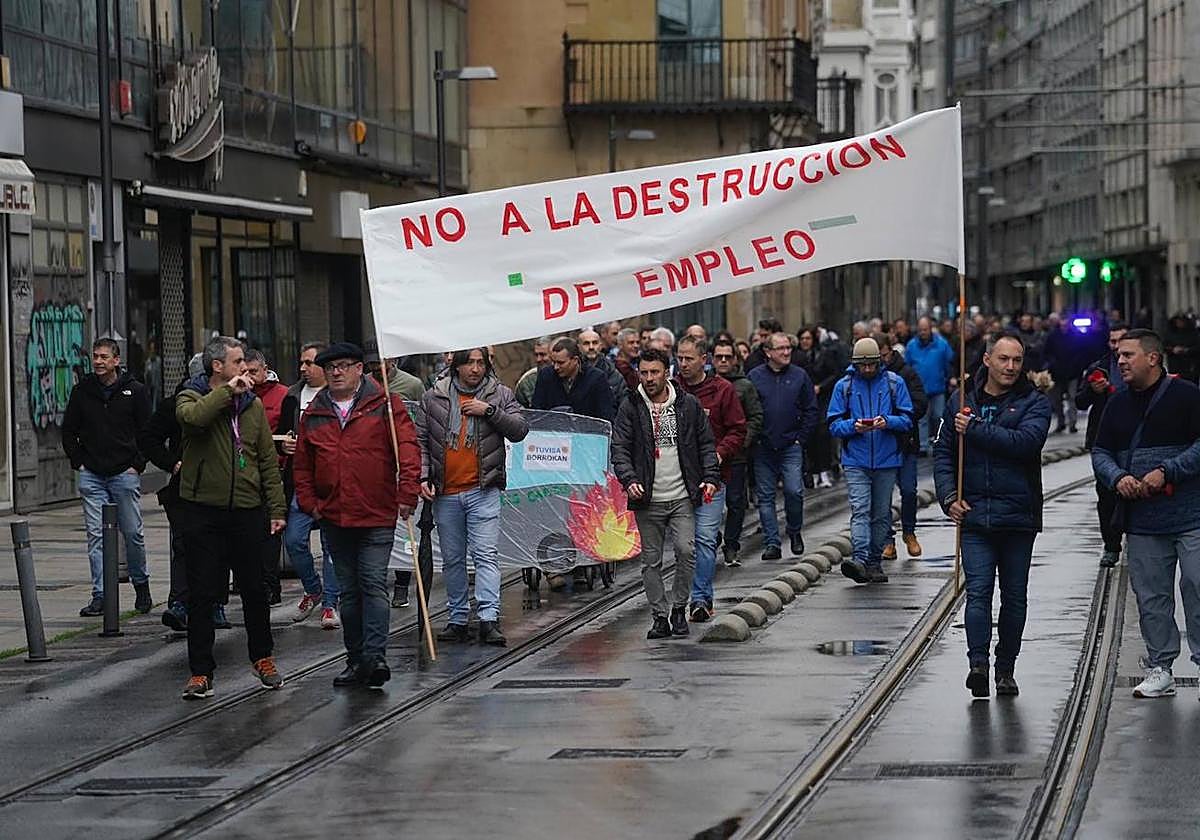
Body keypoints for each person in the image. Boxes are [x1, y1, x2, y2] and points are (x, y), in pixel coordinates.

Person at [293, 342, 421, 689]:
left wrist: (408, 491)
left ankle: (375, 656)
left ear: (359, 369)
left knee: (372, 584)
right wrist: (310, 503)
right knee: (349, 592)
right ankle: (355, 659)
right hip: (334, 516)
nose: (336, 372)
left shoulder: (386, 406)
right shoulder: (315, 413)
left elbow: (408, 450)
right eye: (330, 367)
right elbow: (302, 465)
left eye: (344, 365)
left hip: (376, 511)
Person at [934, 334, 1051, 698]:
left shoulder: (1035, 402)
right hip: (975, 518)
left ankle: (1006, 667)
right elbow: (942, 453)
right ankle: (978, 664)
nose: (1011, 367)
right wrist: (949, 497)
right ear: (987, 360)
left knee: (1014, 597)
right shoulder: (961, 401)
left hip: (1017, 517)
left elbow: (1024, 445)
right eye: (1003, 359)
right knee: (979, 593)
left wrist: (977, 429)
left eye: (1016, 360)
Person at [176, 336, 287, 700]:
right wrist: (227, 394)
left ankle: (263, 657)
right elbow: (194, 421)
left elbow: (266, 459)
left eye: (245, 363)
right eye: (238, 362)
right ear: (217, 367)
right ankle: (200, 671)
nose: (245, 368)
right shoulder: (191, 396)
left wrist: (277, 508)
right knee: (204, 592)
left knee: (255, 588)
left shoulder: (252, 407)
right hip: (202, 510)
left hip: (246, 509)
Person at [1092, 329, 1200, 698]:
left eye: (1128, 355)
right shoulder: (1117, 403)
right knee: (1151, 597)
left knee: (1198, 586)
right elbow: (1100, 452)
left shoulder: (1187, 396)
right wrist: (1117, 477)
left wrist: (1168, 471)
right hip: (1142, 522)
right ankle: (1161, 667)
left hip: (1191, 517)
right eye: (1119, 355)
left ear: (1153, 358)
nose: (1120, 361)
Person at [418, 348, 528, 645]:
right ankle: (457, 618)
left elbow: (520, 430)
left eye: (481, 363)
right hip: (446, 492)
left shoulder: (500, 394)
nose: (475, 369)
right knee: (453, 559)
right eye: (470, 363)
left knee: (485, 555)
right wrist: (424, 475)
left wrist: (489, 411)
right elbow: (422, 440)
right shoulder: (434, 397)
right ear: (457, 365)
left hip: (483, 488)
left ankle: (488, 618)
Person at [612, 348, 719, 640]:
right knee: (651, 561)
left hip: (682, 495)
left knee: (687, 551)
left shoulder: (688, 405)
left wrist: (710, 477)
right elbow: (619, 447)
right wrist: (629, 479)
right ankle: (660, 616)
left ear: (667, 372)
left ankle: (679, 608)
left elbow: (706, 444)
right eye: (643, 373)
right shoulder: (631, 407)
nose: (648, 379)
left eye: (654, 372)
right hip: (647, 498)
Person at [62, 338, 153, 617]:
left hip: (124, 473)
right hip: (92, 474)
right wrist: (79, 462)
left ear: (116, 360)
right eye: (95, 356)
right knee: (96, 536)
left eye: (104, 357)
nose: (98, 361)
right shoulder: (82, 391)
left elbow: (147, 432)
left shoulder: (135, 391)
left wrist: (137, 464)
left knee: (133, 532)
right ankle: (100, 594)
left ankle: (141, 585)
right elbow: (69, 431)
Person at [827, 338, 914, 584]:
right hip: (856, 458)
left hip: (887, 459)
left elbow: (908, 418)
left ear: (879, 363)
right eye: (862, 366)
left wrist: (888, 421)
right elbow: (833, 424)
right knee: (860, 509)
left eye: (871, 365)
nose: (867, 370)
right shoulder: (843, 387)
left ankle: (875, 561)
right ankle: (861, 558)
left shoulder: (894, 384)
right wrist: (853, 427)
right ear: (855, 365)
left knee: (881, 513)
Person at [674, 336, 746, 621]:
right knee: (684, 544)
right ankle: (682, 596)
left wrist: (720, 453)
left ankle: (701, 599)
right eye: (679, 358)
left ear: (704, 359)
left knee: (704, 539)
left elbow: (738, 430)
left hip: (711, 479)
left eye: (689, 358)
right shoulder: (671, 390)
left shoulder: (723, 391)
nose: (683, 364)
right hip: (677, 480)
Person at [277, 342, 341, 629]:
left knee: (331, 545)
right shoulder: (292, 396)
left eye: (309, 363)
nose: (303, 368)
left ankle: (330, 603)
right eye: (301, 363)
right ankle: (313, 589)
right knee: (294, 540)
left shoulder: (337, 396)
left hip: (332, 482)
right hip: (302, 481)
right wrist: (285, 445)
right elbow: (281, 434)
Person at [139, 353, 205, 631]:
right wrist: (171, 463)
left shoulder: (231, 401)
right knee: (183, 543)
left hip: (219, 488)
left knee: (215, 547)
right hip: (182, 487)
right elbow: (148, 438)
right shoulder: (175, 404)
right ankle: (179, 603)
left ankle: (213, 604)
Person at [749, 332, 818, 560]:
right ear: (768, 352)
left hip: (791, 445)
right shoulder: (755, 377)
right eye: (781, 348)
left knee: (794, 491)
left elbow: (811, 409)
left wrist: (801, 438)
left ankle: (794, 530)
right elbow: (749, 410)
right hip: (763, 446)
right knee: (766, 497)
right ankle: (772, 543)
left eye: (788, 348)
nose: (786, 352)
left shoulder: (800, 376)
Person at [1076, 322, 1128, 567]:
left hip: (1135, 441)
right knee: (1106, 495)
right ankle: (1111, 545)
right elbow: (1080, 402)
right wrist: (1094, 390)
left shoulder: (1144, 369)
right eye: (1112, 341)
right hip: (1104, 440)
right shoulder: (1098, 368)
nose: (1116, 346)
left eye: (1121, 340)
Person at [876, 333, 928, 560]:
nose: (879, 361)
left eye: (883, 355)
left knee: (908, 490)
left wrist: (897, 416)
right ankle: (888, 539)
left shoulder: (906, 373)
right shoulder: (869, 376)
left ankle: (909, 531)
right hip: (881, 444)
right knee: (883, 495)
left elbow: (920, 403)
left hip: (905, 442)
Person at [713, 338, 763, 567]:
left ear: (734, 359)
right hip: (708, 456)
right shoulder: (707, 384)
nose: (723, 361)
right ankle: (712, 536)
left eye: (727, 357)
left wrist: (744, 441)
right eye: (718, 357)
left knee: (735, 502)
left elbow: (755, 416)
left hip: (736, 456)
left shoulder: (744, 385)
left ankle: (731, 544)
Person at [245, 348, 288, 605]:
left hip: (274, 470)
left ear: (265, 369)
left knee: (271, 531)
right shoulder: (238, 395)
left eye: (254, 371)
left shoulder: (282, 395)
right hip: (245, 473)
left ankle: (271, 585)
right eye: (245, 371)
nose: (250, 376)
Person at [532, 336, 615, 422]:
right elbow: (536, 412)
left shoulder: (596, 378)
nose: (556, 367)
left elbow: (606, 417)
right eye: (554, 362)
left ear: (575, 360)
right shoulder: (546, 376)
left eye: (561, 363)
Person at [906, 316, 955, 455]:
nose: (923, 332)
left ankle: (938, 442)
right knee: (922, 418)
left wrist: (949, 377)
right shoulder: (911, 346)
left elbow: (949, 363)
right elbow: (908, 365)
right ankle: (922, 445)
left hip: (938, 387)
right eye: (920, 330)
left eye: (925, 329)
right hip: (919, 389)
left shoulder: (942, 344)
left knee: (938, 416)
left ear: (930, 329)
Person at [578, 327, 628, 408]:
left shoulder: (613, 374)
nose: (591, 347)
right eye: (586, 343)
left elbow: (623, 404)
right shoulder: (572, 372)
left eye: (594, 343)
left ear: (600, 346)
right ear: (579, 347)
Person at [515, 337, 552, 408]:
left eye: (543, 355)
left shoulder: (566, 375)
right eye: (536, 355)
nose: (538, 359)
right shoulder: (527, 381)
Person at [614, 327, 641, 393]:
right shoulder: (619, 367)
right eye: (631, 343)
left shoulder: (639, 361)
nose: (636, 346)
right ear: (620, 345)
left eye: (637, 342)